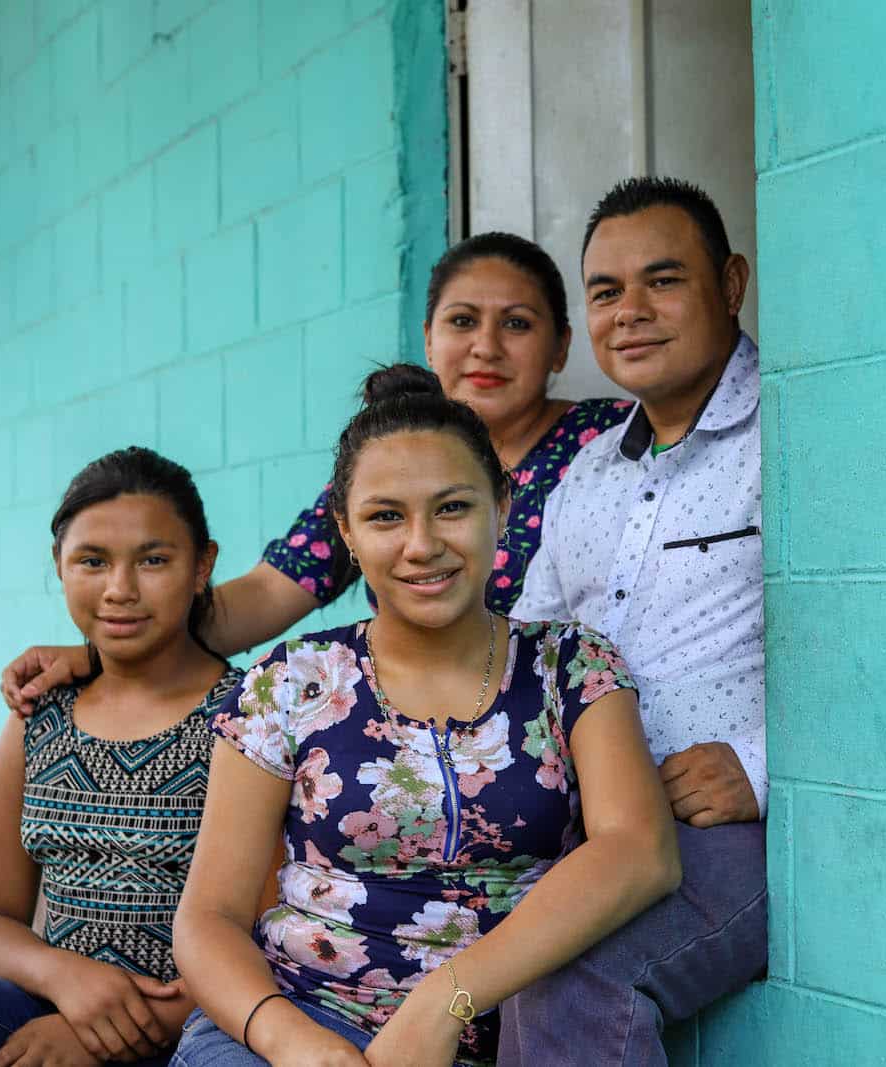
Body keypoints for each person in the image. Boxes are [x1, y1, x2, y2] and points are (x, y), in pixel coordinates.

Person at [165, 366, 680, 1066]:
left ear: (502, 503)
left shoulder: (574, 668)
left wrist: (447, 998)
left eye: (452, 508)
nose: (421, 544)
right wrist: (295, 1044)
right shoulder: (289, 681)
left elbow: (639, 851)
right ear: (346, 530)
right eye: (385, 516)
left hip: (512, 1036)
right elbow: (208, 918)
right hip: (297, 1024)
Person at [0, 233, 634, 712]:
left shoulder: (612, 444)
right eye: (462, 321)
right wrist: (103, 654)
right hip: (421, 744)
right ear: (429, 337)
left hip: (584, 725)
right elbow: (256, 602)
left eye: (517, 324)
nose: (486, 347)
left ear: (561, 346)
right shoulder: (377, 472)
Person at [499, 177, 769, 1066]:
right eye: (607, 292)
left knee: (571, 983)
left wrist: (762, 768)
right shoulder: (589, 478)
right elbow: (523, 648)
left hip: (721, 833)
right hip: (593, 824)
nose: (631, 312)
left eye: (664, 280)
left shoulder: (795, 436)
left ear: (730, 285)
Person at [0, 448, 243, 1067]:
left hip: (203, 1020)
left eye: (153, 560)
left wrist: (106, 1032)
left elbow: (273, 932)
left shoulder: (247, 716)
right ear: (59, 566)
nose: (120, 590)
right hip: (58, 1005)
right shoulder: (39, 719)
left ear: (202, 566)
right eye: (92, 561)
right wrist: (67, 981)